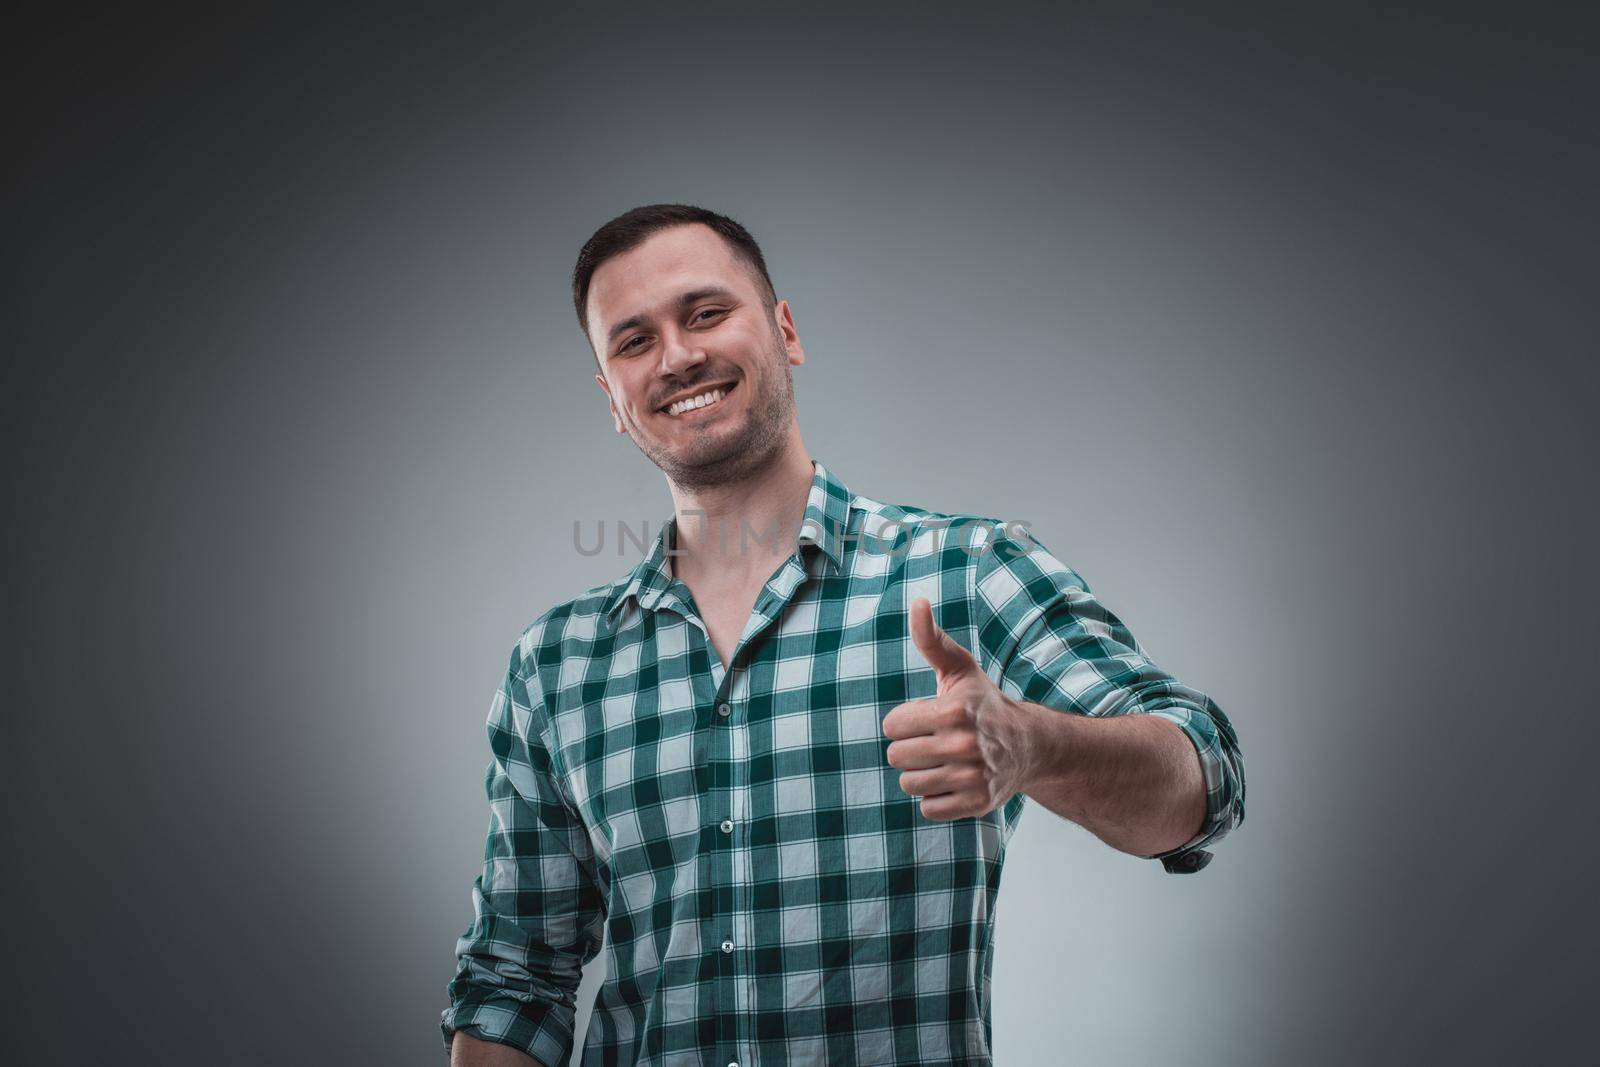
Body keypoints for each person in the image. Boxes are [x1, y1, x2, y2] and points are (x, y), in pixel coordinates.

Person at [440, 204, 1246, 1067]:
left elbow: (1205, 780)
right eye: (634, 341)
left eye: (706, 313)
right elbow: (515, 981)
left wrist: (1033, 743)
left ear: (785, 330)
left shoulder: (967, 573)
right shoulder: (556, 665)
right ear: (613, 397)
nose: (677, 356)